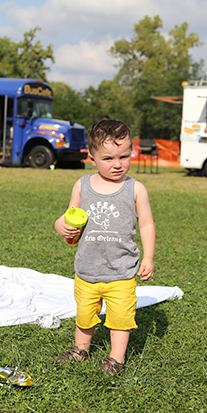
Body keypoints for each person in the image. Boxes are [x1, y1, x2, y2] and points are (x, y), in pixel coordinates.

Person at [54, 119, 155, 375]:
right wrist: (61, 226)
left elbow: (146, 224)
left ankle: (115, 358)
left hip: (122, 270)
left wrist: (149, 257)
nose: (117, 164)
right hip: (87, 269)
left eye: (124, 156)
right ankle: (80, 349)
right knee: (85, 315)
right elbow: (68, 216)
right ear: (92, 157)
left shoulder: (135, 189)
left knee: (120, 318)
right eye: (108, 158)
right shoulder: (82, 185)